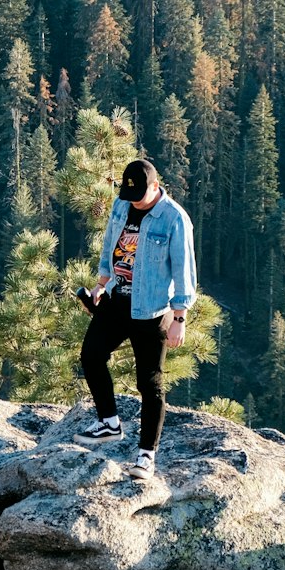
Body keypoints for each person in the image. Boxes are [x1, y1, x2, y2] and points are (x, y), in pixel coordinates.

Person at [74, 157, 197, 480]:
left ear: (155, 187)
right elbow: (109, 246)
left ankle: (146, 456)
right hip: (117, 299)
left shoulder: (174, 219)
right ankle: (109, 422)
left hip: (153, 310)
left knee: (150, 383)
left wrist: (179, 318)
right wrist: (101, 284)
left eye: (140, 194)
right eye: (130, 194)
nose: (134, 200)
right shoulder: (122, 204)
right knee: (91, 355)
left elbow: (185, 271)